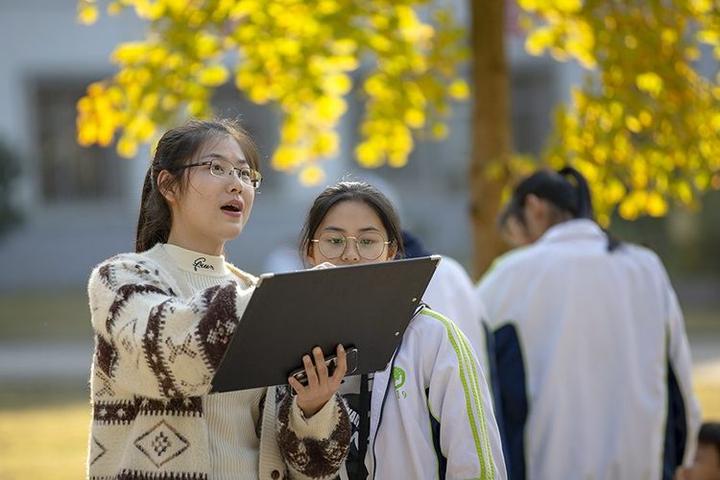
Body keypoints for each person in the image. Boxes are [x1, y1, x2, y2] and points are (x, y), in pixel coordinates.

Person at [86, 119, 350, 480]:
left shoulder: (255, 293)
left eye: (245, 174)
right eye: (216, 168)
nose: (236, 184)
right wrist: (287, 300)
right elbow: (175, 353)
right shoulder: (121, 279)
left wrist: (313, 408)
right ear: (168, 185)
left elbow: (315, 468)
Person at [476, 166, 701, 480]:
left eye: (518, 235)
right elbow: (679, 378)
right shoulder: (645, 267)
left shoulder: (510, 275)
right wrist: (680, 459)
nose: (522, 246)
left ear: (534, 207)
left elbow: (474, 387)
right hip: (643, 467)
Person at [299, 181, 506, 480]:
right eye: (334, 241)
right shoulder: (285, 339)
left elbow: (477, 465)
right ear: (310, 251)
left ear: (392, 251)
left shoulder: (434, 337)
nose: (351, 254)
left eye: (368, 242)